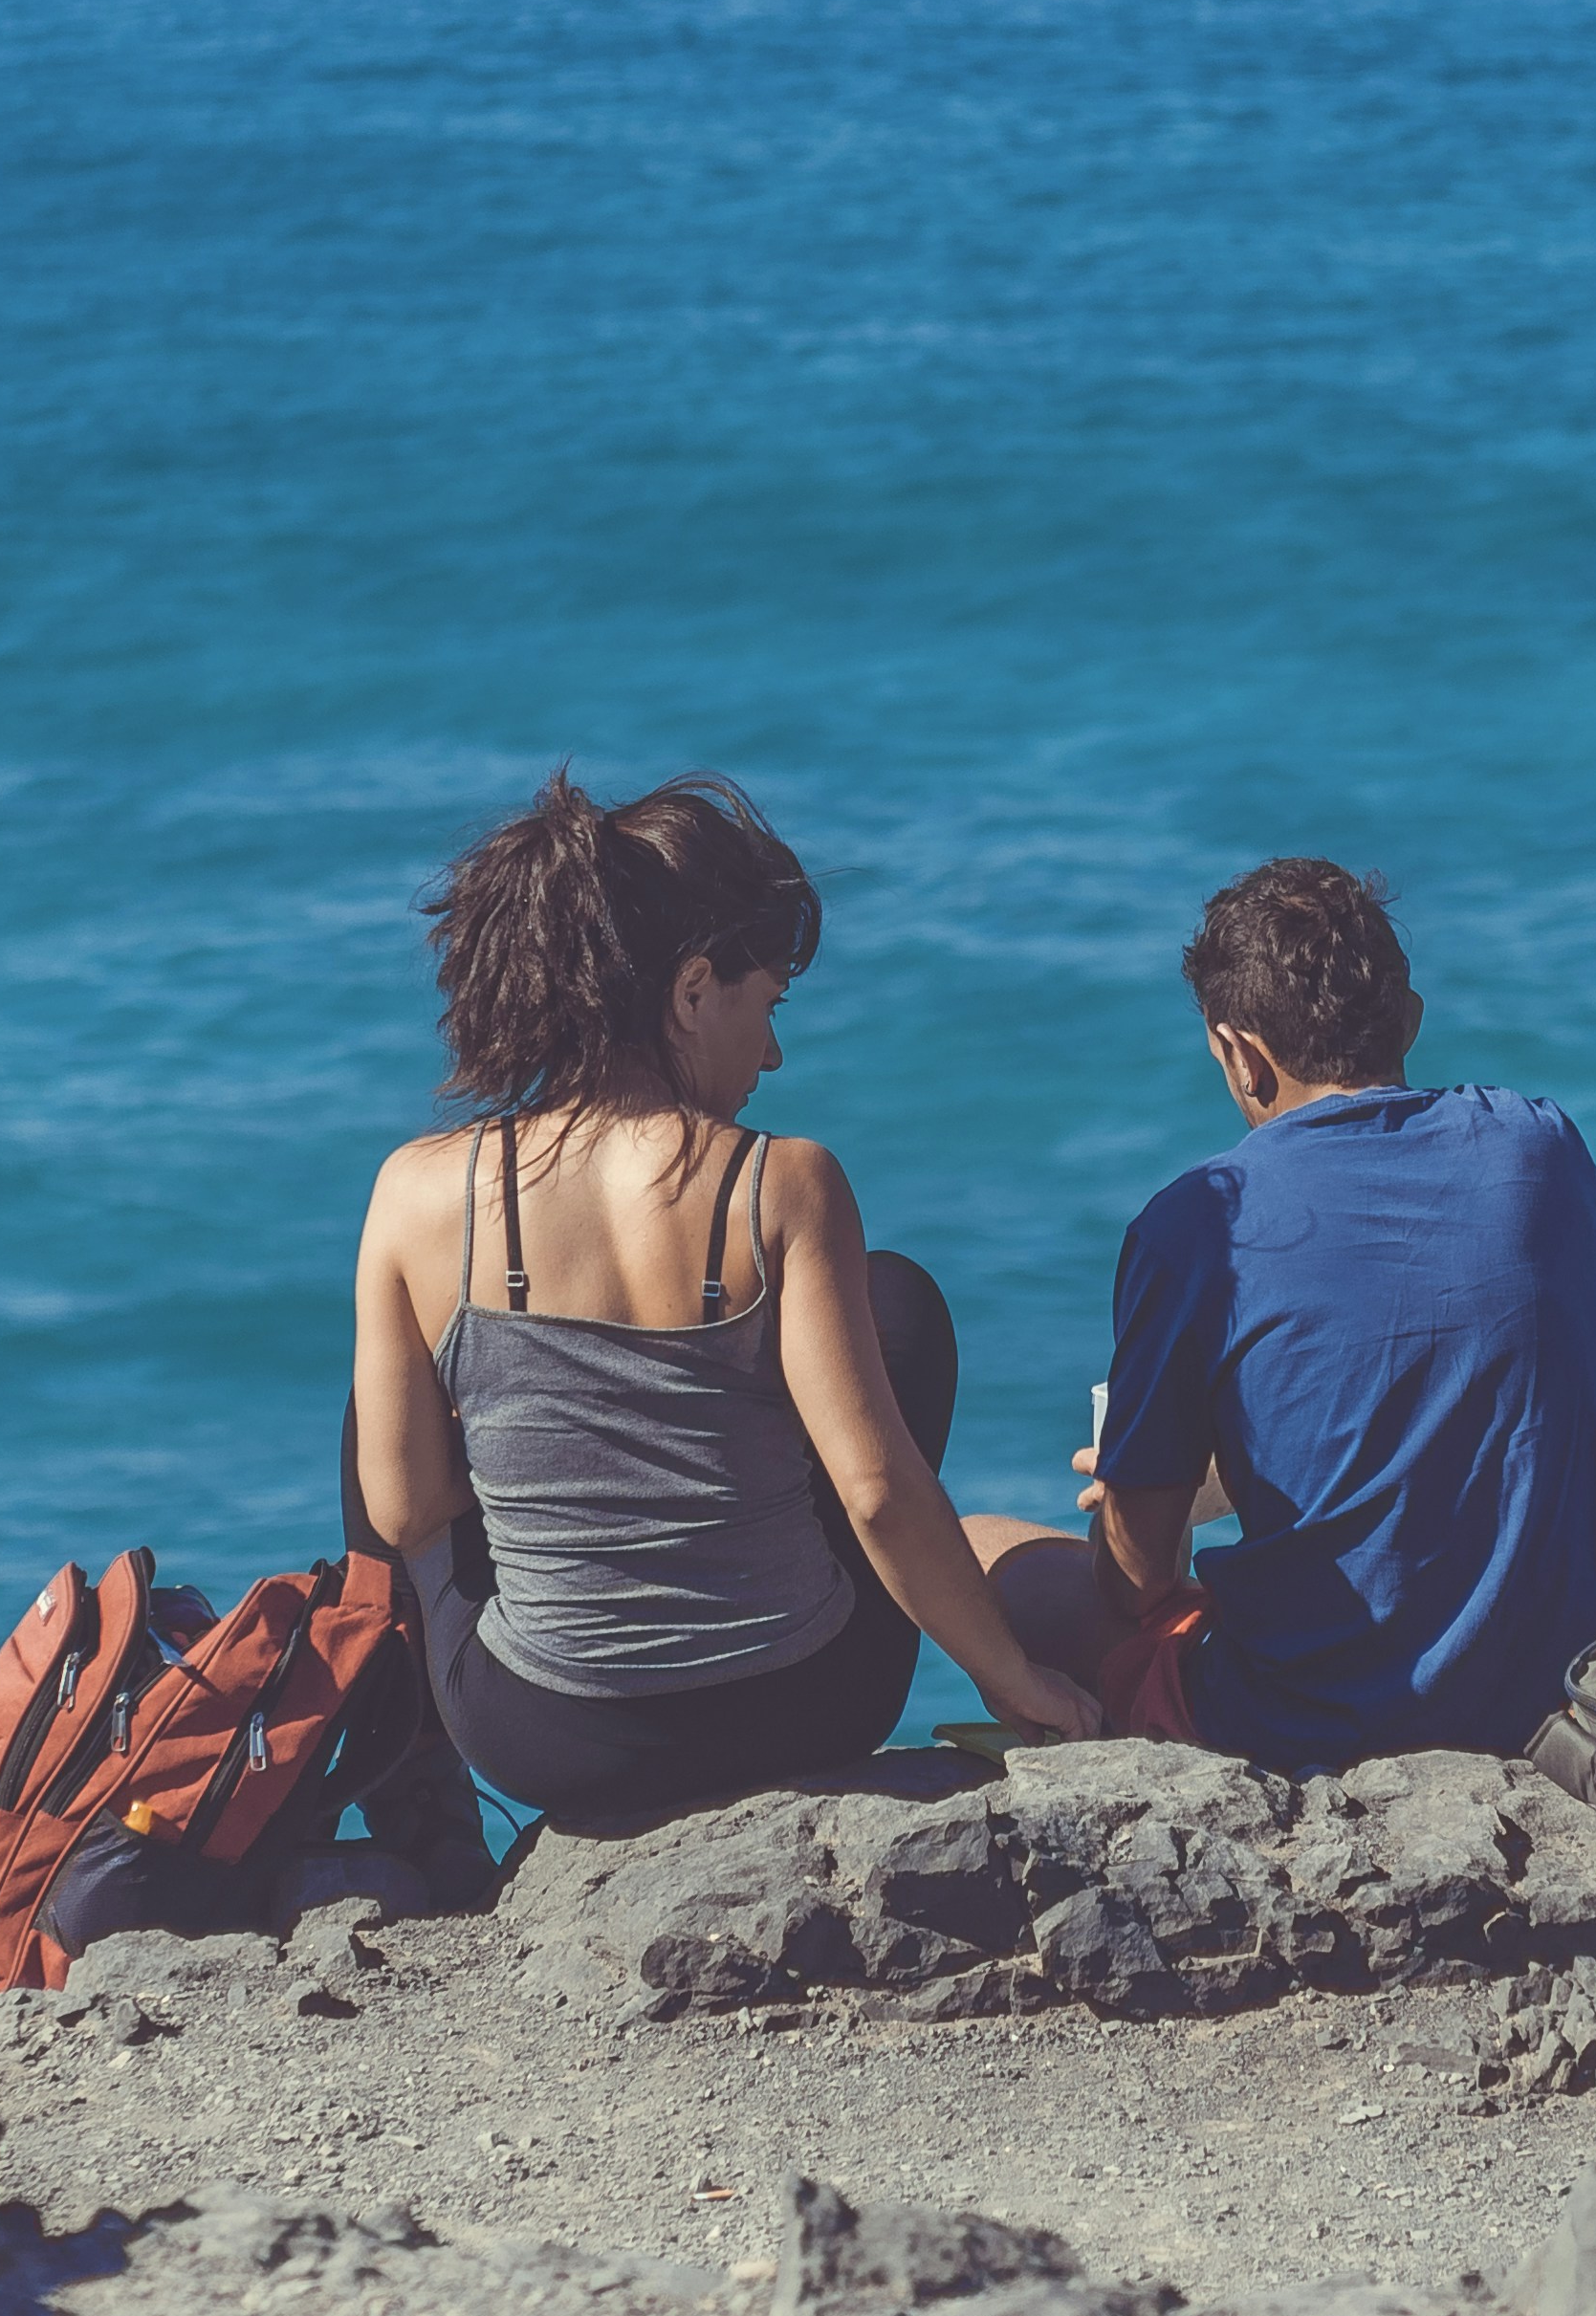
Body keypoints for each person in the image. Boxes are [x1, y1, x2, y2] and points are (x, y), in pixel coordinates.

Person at [345, 771, 1103, 1831]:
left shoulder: (416, 1191)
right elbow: (877, 1494)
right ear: (695, 988)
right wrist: (1012, 1678)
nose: (776, 1050)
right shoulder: (782, 1181)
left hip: (549, 1738)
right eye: (768, 1003)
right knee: (899, 1308)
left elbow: (403, 1511)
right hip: (796, 1710)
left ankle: (416, 1818)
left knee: (392, 1392)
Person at [970, 857, 1596, 1768]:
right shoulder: (1537, 1143)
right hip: (1574, 1692)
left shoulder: (1195, 1223)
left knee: (981, 1546)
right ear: (1411, 1020)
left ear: (1240, 1054)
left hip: (1311, 1725)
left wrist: (1162, 1494)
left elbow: (1138, 1584)